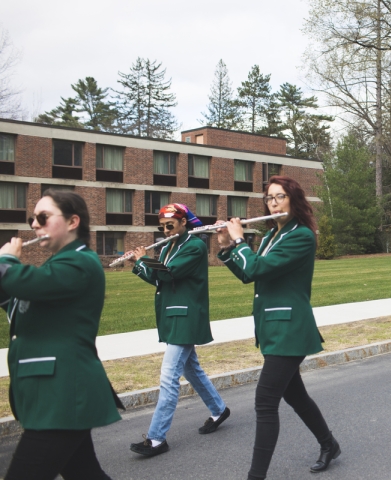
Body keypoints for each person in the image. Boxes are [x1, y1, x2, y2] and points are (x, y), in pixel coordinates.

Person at [216, 176, 340, 479]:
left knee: (265, 402)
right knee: (294, 395)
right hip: (272, 327)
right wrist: (226, 248)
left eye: (280, 196)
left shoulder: (302, 236)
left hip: (290, 329)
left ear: (293, 201)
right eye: (270, 198)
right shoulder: (273, 235)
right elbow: (251, 275)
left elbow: (257, 267)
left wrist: (239, 241)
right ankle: (329, 444)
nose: (273, 203)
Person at [0, 190, 122, 479]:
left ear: (72, 222)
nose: (34, 225)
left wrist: (6, 260)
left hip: (64, 394)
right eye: (33, 219)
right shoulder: (57, 264)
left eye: (43, 217)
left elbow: (26, 282)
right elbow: (18, 302)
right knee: (85, 474)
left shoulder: (81, 262)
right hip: (56, 395)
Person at [130, 203, 230, 457]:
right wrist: (140, 264)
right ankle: (219, 409)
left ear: (184, 222)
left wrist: (144, 259)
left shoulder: (195, 246)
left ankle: (156, 439)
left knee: (168, 377)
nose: (165, 230)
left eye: (170, 225)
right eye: (162, 226)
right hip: (172, 316)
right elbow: (157, 278)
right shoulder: (168, 247)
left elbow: (169, 272)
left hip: (185, 317)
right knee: (191, 369)